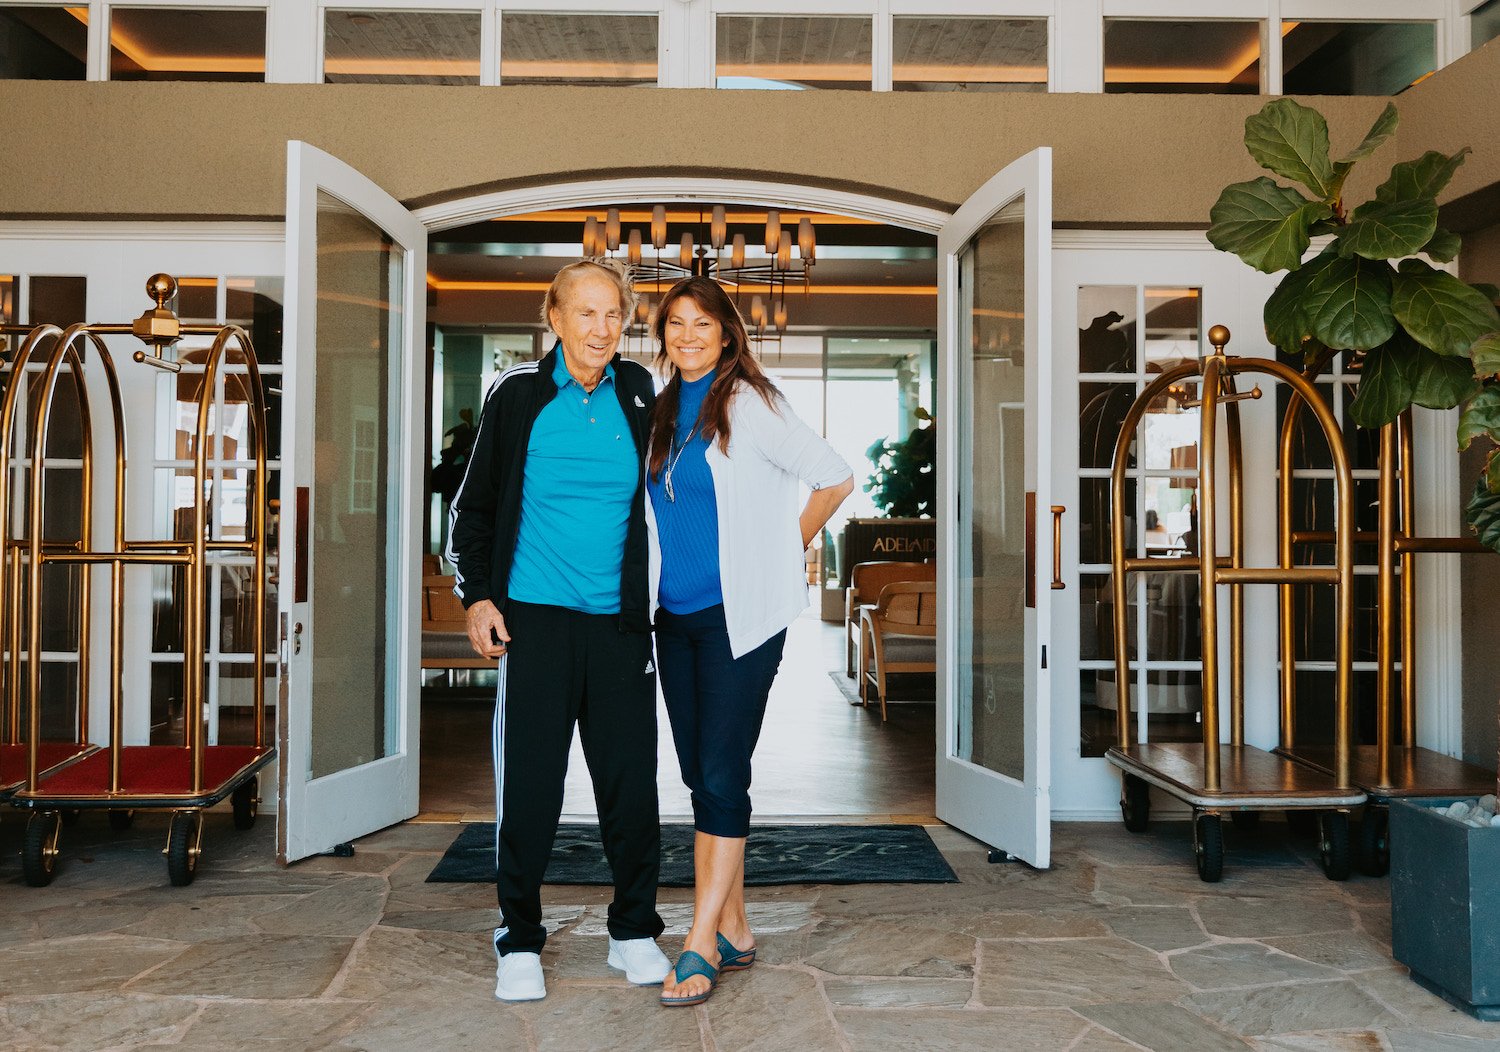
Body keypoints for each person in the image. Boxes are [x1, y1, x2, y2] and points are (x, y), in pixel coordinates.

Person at [445, 259, 669, 1003]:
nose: (603, 329)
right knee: (533, 791)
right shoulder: (516, 395)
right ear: (556, 318)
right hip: (534, 625)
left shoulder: (640, 392)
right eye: (588, 313)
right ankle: (519, 938)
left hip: (619, 629)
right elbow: (471, 514)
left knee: (631, 790)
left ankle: (633, 931)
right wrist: (478, 599)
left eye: (615, 315)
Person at [644, 276, 854, 1007]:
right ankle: (735, 926)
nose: (689, 335)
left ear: (729, 333)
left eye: (703, 323)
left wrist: (780, 551)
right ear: (663, 335)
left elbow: (834, 478)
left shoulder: (753, 403)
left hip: (741, 622)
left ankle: (699, 942)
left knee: (724, 774)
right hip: (672, 620)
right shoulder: (663, 408)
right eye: (676, 324)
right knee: (701, 776)